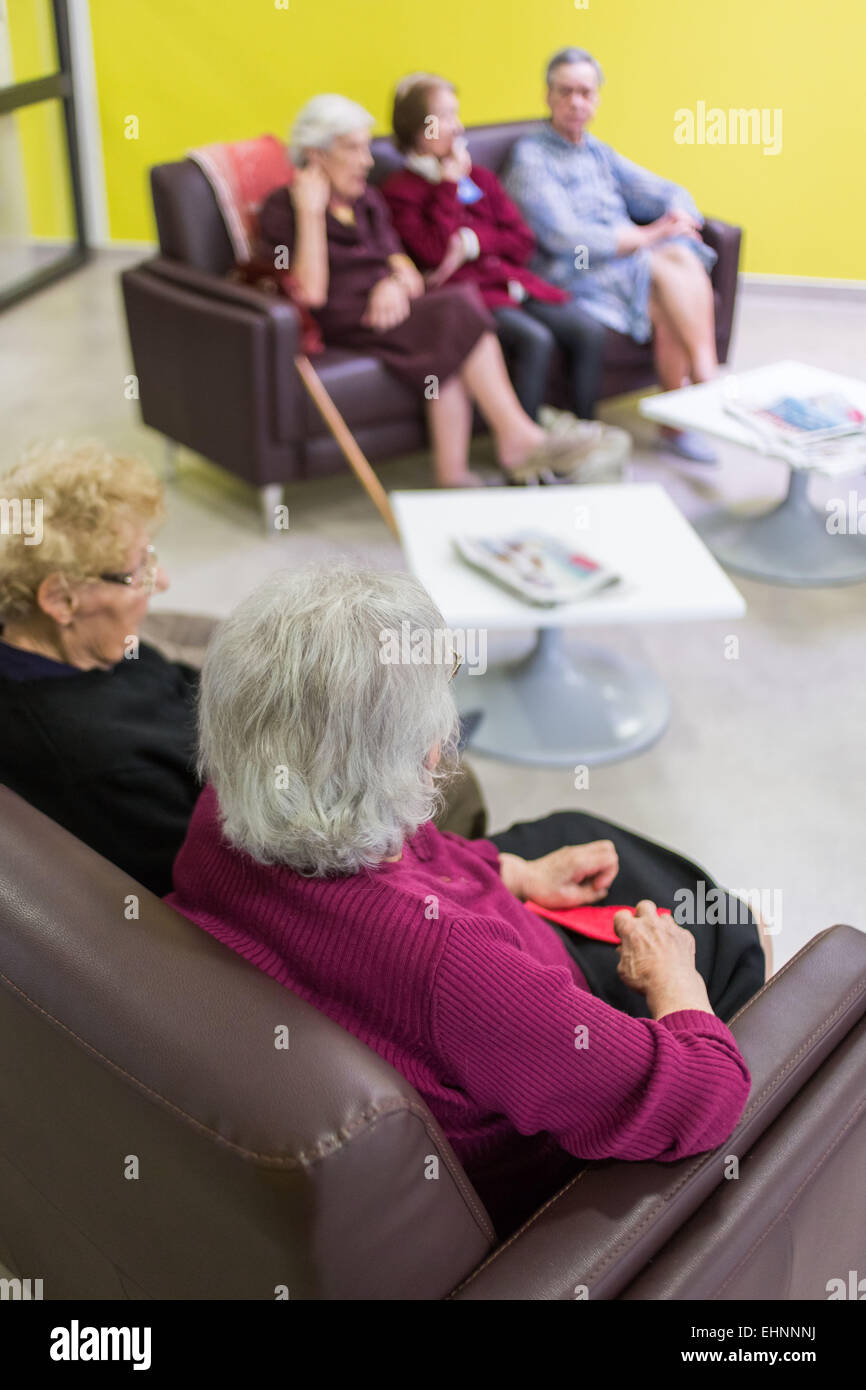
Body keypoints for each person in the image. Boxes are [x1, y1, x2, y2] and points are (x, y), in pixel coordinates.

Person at [166, 564, 768, 1240]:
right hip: (526, 1073)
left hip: (447, 963)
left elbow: (394, 854)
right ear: (415, 762)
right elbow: (703, 1100)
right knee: (729, 932)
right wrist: (674, 981)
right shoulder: (456, 970)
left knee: (577, 833)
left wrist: (510, 873)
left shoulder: (228, 811)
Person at [0, 443, 489, 895]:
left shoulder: (73, 650)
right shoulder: (94, 761)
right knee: (457, 783)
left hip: (252, 756)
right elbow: (234, 869)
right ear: (60, 599)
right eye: (137, 571)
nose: (162, 581)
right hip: (287, 814)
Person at [257, 94, 592, 488]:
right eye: (353, 149)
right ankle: (516, 438)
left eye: (367, 147)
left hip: (390, 310)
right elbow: (311, 294)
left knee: (448, 344)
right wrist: (310, 212)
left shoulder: (366, 199)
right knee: (459, 308)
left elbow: (408, 271)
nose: (367, 160)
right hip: (344, 318)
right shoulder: (283, 209)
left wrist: (393, 283)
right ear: (315, 156)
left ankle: (453, 474)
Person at [503, 48, 722, 463]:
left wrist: (681, 218)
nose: (575, 102)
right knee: (664, 262)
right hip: (571, 270)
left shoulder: (597, 151)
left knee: (672, 268)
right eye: (565, 91)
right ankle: (705, 383)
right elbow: (566, 238)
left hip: (622, 262)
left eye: (585, 92)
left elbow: (666, 191)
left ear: (597, 99)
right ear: (548, 96)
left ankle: (681, 415)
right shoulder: (530, 156)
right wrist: (648, 235)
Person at [383, 72, 610, 430]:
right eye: (442, 117)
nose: (456, 127)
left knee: (588, 331)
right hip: (467, 296)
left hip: (511, 283)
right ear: (416, 127)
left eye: (456, 115)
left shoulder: (480, 178)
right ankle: (526, 458)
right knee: (535, 340)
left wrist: (471, 242)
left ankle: (584, 437)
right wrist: (446, 187)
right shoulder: (400, 191)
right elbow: (432, 253)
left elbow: (521, 241)